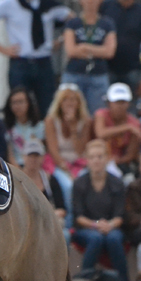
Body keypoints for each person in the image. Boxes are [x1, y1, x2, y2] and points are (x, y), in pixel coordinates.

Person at [72, 139, 128, 281]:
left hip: (112, 227)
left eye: (100, 156)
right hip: (86, 228)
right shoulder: (79, 183)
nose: (96, 160)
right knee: (96, 238)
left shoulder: (117, 183)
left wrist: (108, 225)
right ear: (87, 160)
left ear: (107, 158)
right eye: (92, 157)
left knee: (113, 239)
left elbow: (120, 215)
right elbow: (78, 216)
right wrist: (96, 225)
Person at [61, 0, 117, 114]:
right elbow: (71, 50)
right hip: (74, 74)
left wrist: (84, 47)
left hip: (98, 75)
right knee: (70, 114)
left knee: (98, 114)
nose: (90, 0)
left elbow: (109, 51)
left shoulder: (107, 24)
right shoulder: (72, 23)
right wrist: (98, 50)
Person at [43, 84, 92, 229]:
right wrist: (67, 170)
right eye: (65, 100)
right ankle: (69, 226)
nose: (69, 103)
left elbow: (80, 150)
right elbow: (53, 150)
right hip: (58, 162)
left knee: (85, 182)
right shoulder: (51, 120)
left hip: (79, 162)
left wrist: (73, 128)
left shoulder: (86, 121)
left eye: (73, 100)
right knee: (68, 185)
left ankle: (84, 220)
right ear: (59, 102)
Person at [21, 140, 68, 244]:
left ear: (42, 158)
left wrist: (52, 214)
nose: (33, 159)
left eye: (36, 156)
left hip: (49, 223)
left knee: (65, 234)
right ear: (23, 157)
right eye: (30, 155)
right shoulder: (17, 180)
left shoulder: (51, 180)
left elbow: (62, 208)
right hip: (25, 223)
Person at [93, 82, 141, 176]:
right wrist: (127, 127)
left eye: (123, 102)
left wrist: (118, 160)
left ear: (128, 104)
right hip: (97, 160)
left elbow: (131, 154)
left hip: (120, 163)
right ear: (109, 103)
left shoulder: (135, 123)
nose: (120, 106)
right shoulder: (101, 115)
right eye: (116, 102)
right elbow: (101, 134)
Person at [3, 87, 44, 167]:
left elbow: (43, 152)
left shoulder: (39, 126)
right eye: (14, 102)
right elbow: (10, 155)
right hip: (17, 168)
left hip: (37, 167)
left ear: (28, 103)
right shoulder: (7, 128)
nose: (18, 106)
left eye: (21, 102)